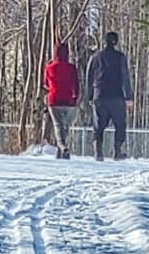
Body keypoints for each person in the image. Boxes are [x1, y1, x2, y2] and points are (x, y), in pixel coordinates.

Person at [86, 31, 133, 160]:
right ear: (116, 42)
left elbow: (89, 78)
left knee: (98, 125)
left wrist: (89, 96)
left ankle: (98, 151)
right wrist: (128, 96)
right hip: (116, 96)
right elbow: (125, 77)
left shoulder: (95, 57)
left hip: (99, 95)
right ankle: (117, 151)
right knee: (120, 125)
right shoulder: (120, 57)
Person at [43, 40, 80, 158]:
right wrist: (75, 98)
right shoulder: (71, 67)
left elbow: (46, 84)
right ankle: (61, 153)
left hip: (54, 100)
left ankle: (63, 147)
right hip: (69, 100)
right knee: (66, 126)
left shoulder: (49, 68)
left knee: (58, 125)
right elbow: (76, 84)